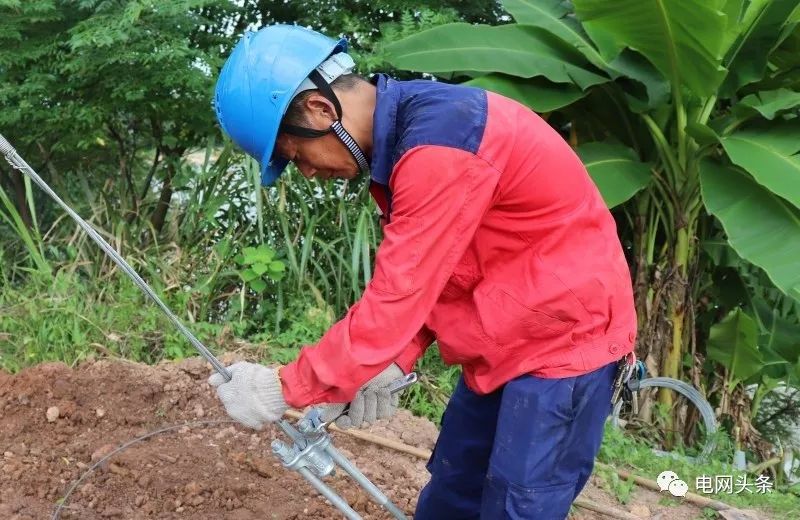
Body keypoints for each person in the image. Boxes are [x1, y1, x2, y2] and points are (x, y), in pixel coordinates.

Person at [209, 24, 637, 520]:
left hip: (563, 349)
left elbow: (397, 298)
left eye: (294, 154)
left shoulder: (442, 146)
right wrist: (395, 359)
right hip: (507, 336)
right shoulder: (413, 142)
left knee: (515, 509)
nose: (306, 172)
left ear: (321, 110)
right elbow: (447, 271)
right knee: (451, 498)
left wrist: (283, 388)